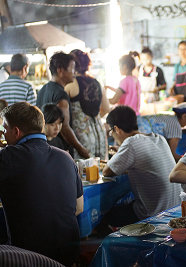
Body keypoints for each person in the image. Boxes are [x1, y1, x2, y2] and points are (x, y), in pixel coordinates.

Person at [0, 102, 83, 266]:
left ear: (16, 131)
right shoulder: (66, 158)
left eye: (4, 129)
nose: (3, 133)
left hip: (29, 259)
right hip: (69, 257)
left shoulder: (7, 157)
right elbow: (79, 208)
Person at [102, 105, 181, 226]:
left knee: (104, 216)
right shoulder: (158, 138)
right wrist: (121, 151)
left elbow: (107, 172)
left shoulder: (131, 143)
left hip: (154, 214)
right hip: (175, 208)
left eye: (111, 132)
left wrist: (121, 151)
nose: (112, 135)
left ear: (117, 129)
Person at [36, 52, 90, 159]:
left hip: (45, 145)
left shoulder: (43, 89)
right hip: (59, 148)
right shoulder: (61, 94)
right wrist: (81, 150)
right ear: (60, 70)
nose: (75, 72)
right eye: (72, 68)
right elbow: (64, 127)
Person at [65, 49, 109, 160]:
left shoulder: (71, 84)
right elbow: (106, 108)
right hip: (99, 133)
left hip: (82, 136)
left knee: (84, 172)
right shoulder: (97, 82)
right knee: (101, 171)